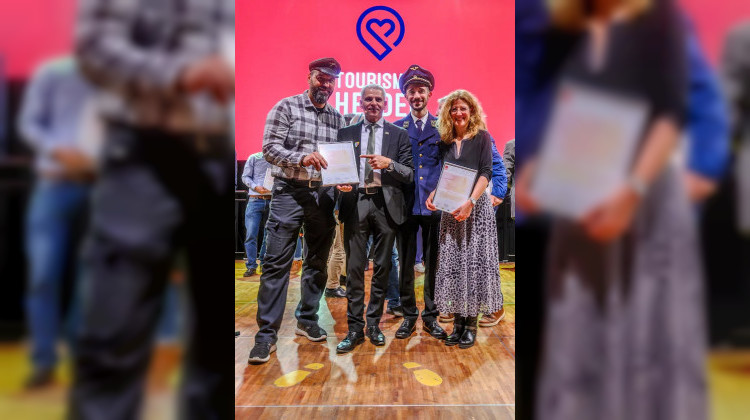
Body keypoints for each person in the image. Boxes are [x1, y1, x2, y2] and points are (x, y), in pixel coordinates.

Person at [516, 0, 706, 419]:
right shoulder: (563, 27)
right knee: (580, 343)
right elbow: (561, 115)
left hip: (644, 204)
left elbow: (670, 113)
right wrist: (535, 170)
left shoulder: (659, 17)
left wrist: (631, 191)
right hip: (580, 209)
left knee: (645, 340)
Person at [70, 0, 235, 418]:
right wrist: (181, 73)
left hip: (220, 162)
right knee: (115, 339)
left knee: (218, 350)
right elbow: (95, 46)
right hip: (145, 154)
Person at [249, 58, 346, 364]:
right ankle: (266, 335)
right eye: (321, 78)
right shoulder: (286, 107)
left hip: (323, 195)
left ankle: (307, 318)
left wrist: (343, 178)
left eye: (331, 80)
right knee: (276, 264)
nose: (325, 84)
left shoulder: (337, 118)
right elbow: (269, 148)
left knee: (317, 262)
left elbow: (339, 160)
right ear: (310, 77)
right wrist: (302, 158)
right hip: (288, 192)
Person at [17, 56, 97, 388]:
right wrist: (59, 150)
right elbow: (29, 123)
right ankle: (44, 360)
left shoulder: (119, 80)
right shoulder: (52, 73)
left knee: (91, 278)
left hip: (99, 189)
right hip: (53, 185)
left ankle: (82, 359)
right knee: (42, 275)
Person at [334, 84, 413, 354]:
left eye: (378, 99)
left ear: (385, 104)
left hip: (385, 205)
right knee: (355, 269)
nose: (373, 103)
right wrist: (339, 183)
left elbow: (409, 173)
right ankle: (354, 329)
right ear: (360, 103)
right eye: (368, 99)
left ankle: (373, 325)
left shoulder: (399, 134)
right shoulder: (346, 133)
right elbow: (337, 170)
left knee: (382, 269)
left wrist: (388, 163)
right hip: (355, 202)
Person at [426, 90, 504, 349]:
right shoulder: (445, 140)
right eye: (454, 109)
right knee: (456, 266)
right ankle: (458, 324)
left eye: (463, 108)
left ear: (472, 111)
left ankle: (471, 326)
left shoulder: (482, 137)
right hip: (451, 212)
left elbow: (486, 172)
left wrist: (470, 201)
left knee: (474, 266)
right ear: (448, 113)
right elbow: (444, 175)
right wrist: (435, 194)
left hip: (475, 210)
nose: (458, 113)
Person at [392, 65, 448, 340]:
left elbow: (449, 165)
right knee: (405, 264)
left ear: (429, 93)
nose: (416, 96)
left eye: (421, 90)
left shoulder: (443, 127)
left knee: (433, 264)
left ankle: (430, 316)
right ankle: (408, 316)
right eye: (411, 91)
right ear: (405, 95)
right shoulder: (396, 128)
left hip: (434, 206)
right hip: (405, 205)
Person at [241, 151, 271, 277]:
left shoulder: (278, 160)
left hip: (272, 200)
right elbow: (245, 177)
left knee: (269, 235)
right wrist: (255, 187)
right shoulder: (254, 157)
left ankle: (264, 263)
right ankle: (251, 266)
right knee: (251, 234)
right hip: (255, 200)